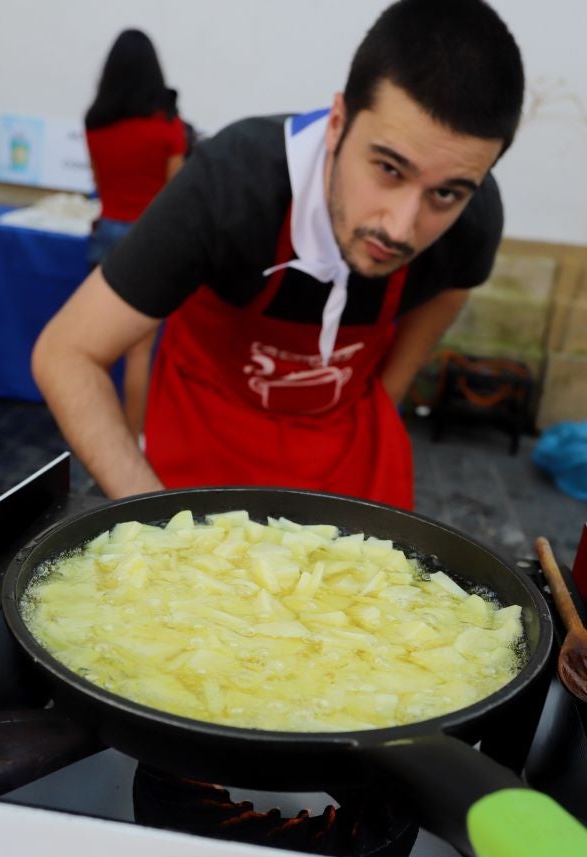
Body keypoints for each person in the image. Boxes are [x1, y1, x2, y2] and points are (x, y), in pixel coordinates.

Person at [33, 0, 524, 509]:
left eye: (445, 194)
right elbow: (66, 353)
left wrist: (388, 394)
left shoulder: (474, 219)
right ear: (337, 122)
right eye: (388, 168)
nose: (399, 228)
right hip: (206, 432)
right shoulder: (231, 183)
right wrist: (156, 523)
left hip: (343, 449)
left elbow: (455, 286)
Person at [84, 29, 186, 438]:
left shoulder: (95, 124)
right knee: (140, 351)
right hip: (149, 241)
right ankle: (133, 439)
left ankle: (95, 431)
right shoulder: (168, 127)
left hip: (105, 237)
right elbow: (176, 195)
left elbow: (100, 183)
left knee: (94, 350)